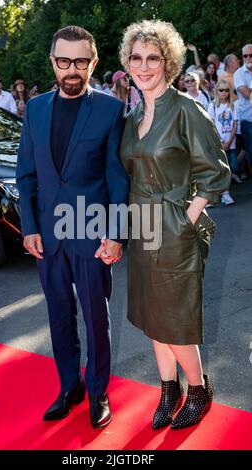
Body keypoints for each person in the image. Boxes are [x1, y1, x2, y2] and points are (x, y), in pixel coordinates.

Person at [119, 19, 230, 430]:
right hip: (141, 223)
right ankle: (170, 388)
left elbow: (216, 173)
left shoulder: (186, 109)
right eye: (136, 57)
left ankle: (198, 389)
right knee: (153, 314)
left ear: (169, 62)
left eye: (153, 57)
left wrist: (186, 218)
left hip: (175, 224)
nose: (144, 66)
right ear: (127, 63)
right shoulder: (132, 116)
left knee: (177, 318)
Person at [16, 25, 129, 429]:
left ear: (93, 62)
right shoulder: (36, 108)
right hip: (46, 234)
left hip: (93, 232)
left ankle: (98, 391)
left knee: (96, 317)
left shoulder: (111, 110)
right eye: (64, 61)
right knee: (59, 313)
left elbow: (118, 180)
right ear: (53, 61)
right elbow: (25, 174)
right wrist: (28, 226)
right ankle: (69, 387)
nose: (72, 69)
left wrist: (116, 234)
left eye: (81, 61)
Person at [208, 79, 241, 205]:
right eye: (221, 90)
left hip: (230, 144)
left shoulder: (233, 105)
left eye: (227, 90)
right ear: (217, 91)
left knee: (231, 168)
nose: (224, 93)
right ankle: (224, 194)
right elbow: (211, 125)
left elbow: (235, 124)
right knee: (220, 169)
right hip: (217, 144)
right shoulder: (213, 106)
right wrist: (221, 141)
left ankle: (224, 192)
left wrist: (229, 141)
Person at [234, 44, 252, 175]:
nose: (248, 58)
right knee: (251, 151)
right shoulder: (238, 74)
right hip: (248, 119)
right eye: (245, 55)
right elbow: (247, 94)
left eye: (251, 55)